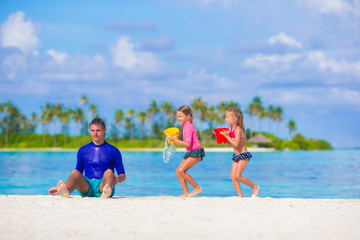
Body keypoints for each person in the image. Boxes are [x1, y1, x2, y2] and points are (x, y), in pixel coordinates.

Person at [48, 118, 126, 198]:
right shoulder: (83, 150)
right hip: (87, 187)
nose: (95, 133)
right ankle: (65, 190)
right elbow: (76, 175)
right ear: (89, 130)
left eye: (98, 130)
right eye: (92, 130)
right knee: (74, 172)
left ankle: (105, 193)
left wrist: (117, 178)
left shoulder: (113, 150)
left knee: (109, 172)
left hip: (104, 185)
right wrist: (60, 187)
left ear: (104, 130)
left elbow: (123, 176)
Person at [220, 107, 259, 198]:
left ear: (235, 119)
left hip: (243, 155)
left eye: (228, 117)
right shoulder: (231, 129)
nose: (226, 119)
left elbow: (237, 145)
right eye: (226, 117)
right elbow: (230, 144)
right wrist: (225, 137)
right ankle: (240, 196)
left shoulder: (238, 130)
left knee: (238, 176)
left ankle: (255, 187)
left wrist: (227, 136)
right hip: (237, 155)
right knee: (233, 177)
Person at [168, 105, 205, 197]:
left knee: (181, 171)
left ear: (188, 116)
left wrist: (175, 140)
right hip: (191, 152)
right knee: (178, 171)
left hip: (196, 152)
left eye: (181, 116)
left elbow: (188, 144)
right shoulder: (185, 126)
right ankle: (185, 193)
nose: (179, 118)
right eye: (178, 116)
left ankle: (197, 188)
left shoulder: (188, 126)